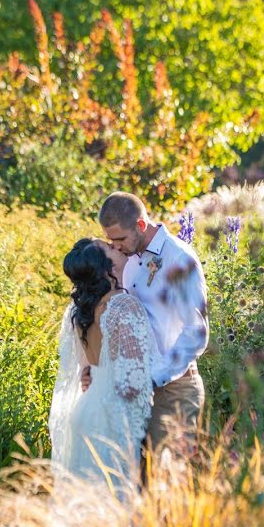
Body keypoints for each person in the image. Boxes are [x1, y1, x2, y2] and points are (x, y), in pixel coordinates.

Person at [83, 192, 209, 454]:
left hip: (173, 390)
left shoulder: (179, 259)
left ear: (141, 225)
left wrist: (153, 377)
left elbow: (196, 333)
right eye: (110, 240)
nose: (115, 246)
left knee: (166, 478)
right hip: (129, 391)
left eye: (120, 239)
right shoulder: (123, 261)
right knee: (136, 478)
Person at [48, 238, 160, 495]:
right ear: (105, 268)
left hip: (86, 412)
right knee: (115, 501)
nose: (116, 246)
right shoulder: (123, 305)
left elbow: (86, 368)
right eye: (109, 248)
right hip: (113, 418)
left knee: (88, 508)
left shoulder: (80, 312)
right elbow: (134, 380)